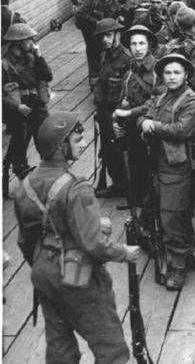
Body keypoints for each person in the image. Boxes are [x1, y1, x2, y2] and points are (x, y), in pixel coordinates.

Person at [14, 111, 140, 363]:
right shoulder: (76, 187)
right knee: (111, 350)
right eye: (77, 140)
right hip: (77, 276)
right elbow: (92, 243)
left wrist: (44, 263)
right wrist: (123, 253)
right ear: (61, 147)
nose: (83, 144)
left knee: (60, 348)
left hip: (43, 272)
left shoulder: (25, 185)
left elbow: (24, 240)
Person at [137, 54, 195, 290]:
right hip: (158, 163)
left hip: (178, 166)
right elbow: (146, 115)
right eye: (167, 73)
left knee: (173, 215)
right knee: (162, 210)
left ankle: (177, 267)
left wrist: (152, 126)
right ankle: (186, 256)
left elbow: (181, 130)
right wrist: (144, 123)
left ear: (186, 75)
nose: (172, 77)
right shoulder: (162, 97)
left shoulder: (191, 102)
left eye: (177, 72)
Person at [113, 25, 162, 210]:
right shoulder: (130, 72)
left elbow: (158, 101)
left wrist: (130, 113)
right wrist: (116, 120)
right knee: (134, 164)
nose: (137, 48)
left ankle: (151, 202)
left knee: (153, 168)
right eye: (133, 44)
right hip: (132, 129)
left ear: (149, 45)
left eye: (142, 43)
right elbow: (123, 99)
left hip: (151, 128)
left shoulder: (158, 72)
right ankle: (136, 199)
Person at [2, 24, 52, 184]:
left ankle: (49, 169)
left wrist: (39, 57)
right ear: (17, 42)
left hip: (36, 105)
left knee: (45, 137)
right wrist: (16, 107)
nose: (32, 42)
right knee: (19, 145)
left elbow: (48, 76)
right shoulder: (4, 65)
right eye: (28, 40)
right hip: (18, 110)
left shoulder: (32, 57)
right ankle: (20, 169)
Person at [92, 18, 129, 198]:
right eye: (102, 37)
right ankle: (117, 183)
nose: (104, 40)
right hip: (104, 113)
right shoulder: (103, 56)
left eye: (108, 35)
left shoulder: (126, 59)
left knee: (121, 150)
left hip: (119, 113)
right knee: (108, 150)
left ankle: (126, 185)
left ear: (117, 35)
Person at [75, 0, 122, 80]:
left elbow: (118, 12)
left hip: (107, 31)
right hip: (92, 30)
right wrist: (97, 22)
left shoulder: (114, 1)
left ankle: (105, 73)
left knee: (108, 51)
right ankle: (93, 76)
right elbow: (80, 13)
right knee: (93, 52)